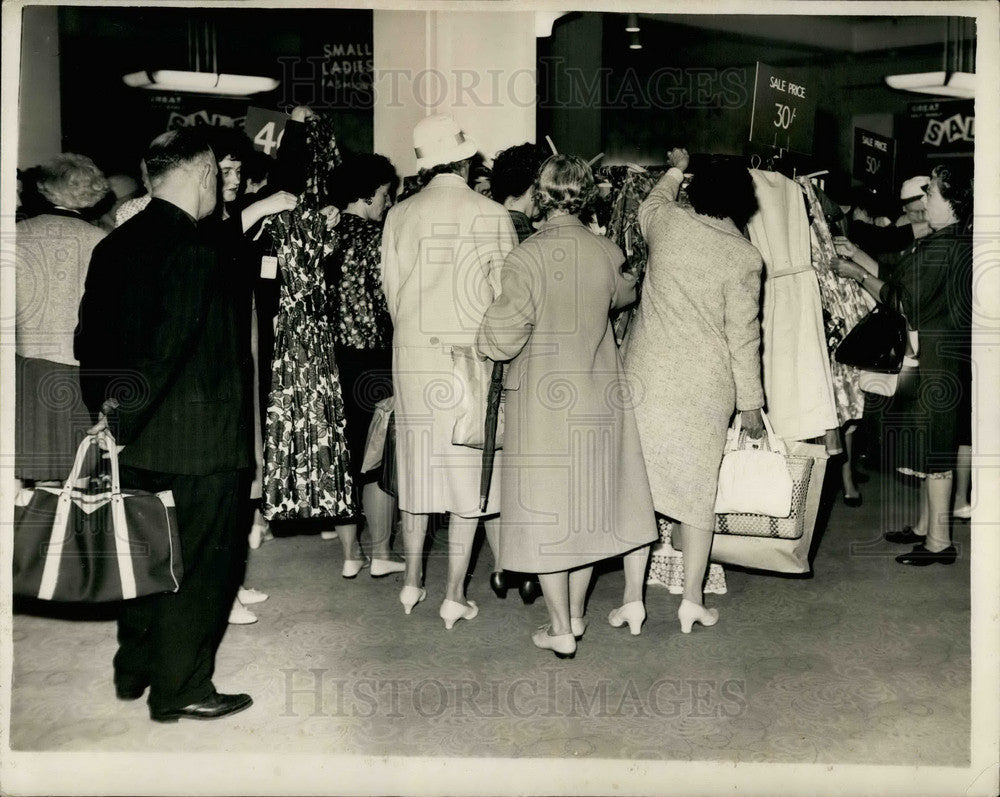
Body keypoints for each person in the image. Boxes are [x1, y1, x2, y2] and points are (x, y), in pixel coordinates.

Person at [75, 128, 255, 722]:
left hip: (136, 439)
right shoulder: (196, 250)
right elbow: (169, 350)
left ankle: (136, 668)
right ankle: (181, 688)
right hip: (199, 444)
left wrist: (106, 411)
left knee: (143, 556)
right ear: (204, 175)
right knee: (199, 567)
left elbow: (90, 342)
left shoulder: (115, 244)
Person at [477, 154, 657, 658]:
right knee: (583, 512)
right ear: (588, 196)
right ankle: (576, 615)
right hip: (599, 395)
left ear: (540, 193)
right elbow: (623, 297)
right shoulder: (606, 250)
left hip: (543, 402)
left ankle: (558, 627)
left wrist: (483, 333)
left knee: (547, 516)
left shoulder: (526, 257)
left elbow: (501, 338)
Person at [380, 113, 517, 627]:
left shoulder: (399, 214)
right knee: (468, 480)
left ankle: (412, 581)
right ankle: (454, 595)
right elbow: (506, 300)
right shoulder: (490, 214)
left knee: (416, 472)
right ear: (463, 159)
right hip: (469, 360)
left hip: (413, 356)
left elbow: (391, 294)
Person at [623, 147, 765, 634]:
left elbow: (650, 203)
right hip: (706, 389)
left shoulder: (667, 225)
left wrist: (676, 169)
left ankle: (631, 602)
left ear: (696, 190)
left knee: (637, 492)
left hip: (646, 380)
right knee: (696, 496)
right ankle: (690, 602)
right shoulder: (745, 257)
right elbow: (744, 337)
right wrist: (751, 405)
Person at [832, 163, 973, 566]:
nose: (924, 199)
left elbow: (902, 301)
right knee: (934, 447)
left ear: (952, 201)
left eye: (931, 193)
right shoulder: (950, 239)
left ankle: (939, 543)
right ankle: (925, 530)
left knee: (937, 449)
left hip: (935, 359)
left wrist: (857, 273)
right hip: (942, 354)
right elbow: (899, 282)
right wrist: (858, 255)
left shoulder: (944, 246)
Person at [323, 153, 405, 578]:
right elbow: (391, 302)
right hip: (374, 360)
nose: (388, 203)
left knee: (343, 455)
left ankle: (350, 555)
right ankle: (382, 553)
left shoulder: (323, 235)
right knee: (376, 458)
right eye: (386, 195)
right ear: (369, 193)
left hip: (329, 360)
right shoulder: (379, 239)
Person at [15, 154, 109, 485]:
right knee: (77, 475)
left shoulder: (18, 232)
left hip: (25, 366)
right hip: (77, 371)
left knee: (28, 473)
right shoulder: (100, 240)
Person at [484, 142, 551, 604]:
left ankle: (502, 561)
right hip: (529, 363)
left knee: (495, 462)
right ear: (535, 187)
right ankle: (530, 565)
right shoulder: (531, 237)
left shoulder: (482, 221)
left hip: (488, 360)